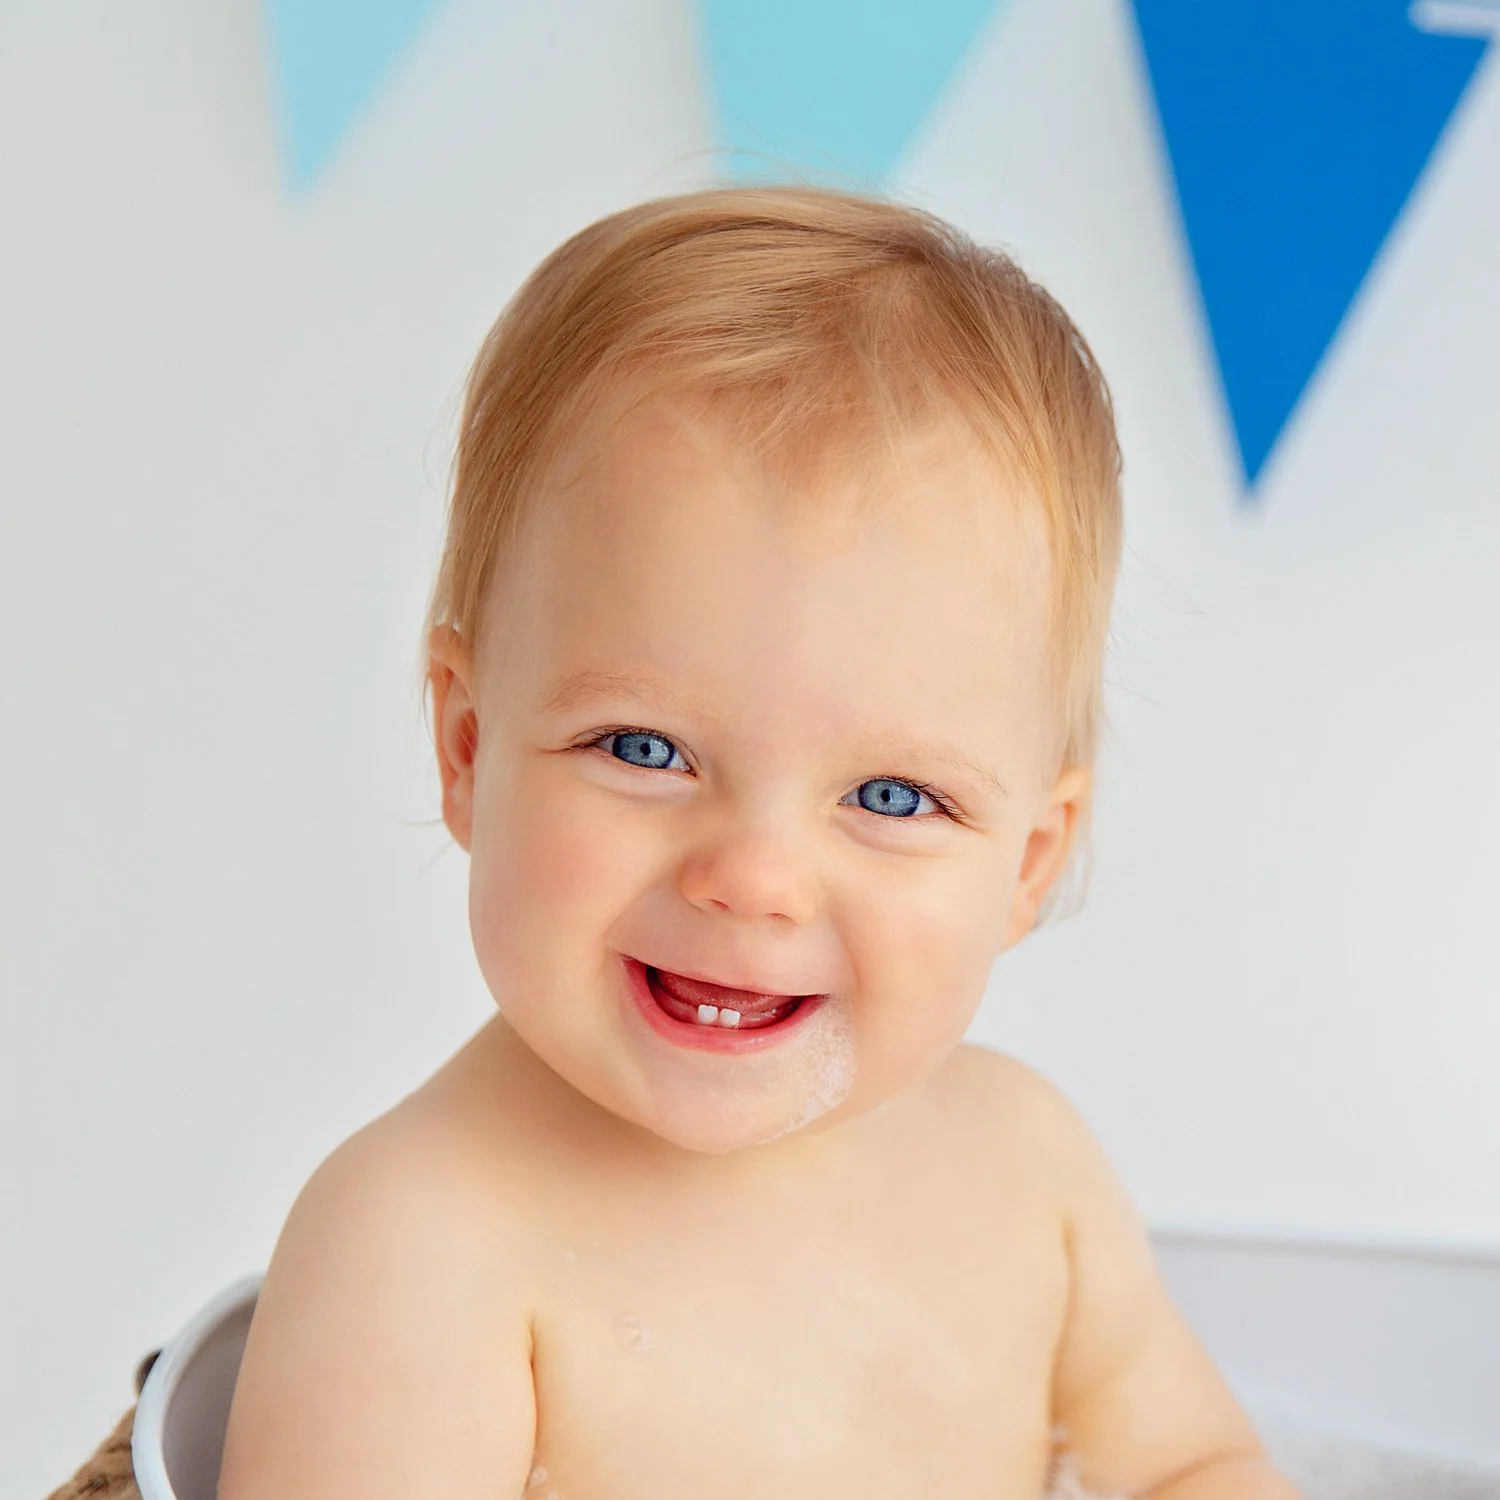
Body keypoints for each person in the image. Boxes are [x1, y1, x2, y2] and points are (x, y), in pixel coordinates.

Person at [216, 185, 1302, 1500]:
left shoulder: (1023, 1168)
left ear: (1028, 861)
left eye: (892, 798)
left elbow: (1190, 1463)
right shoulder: (423, 1245)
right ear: (466, 749)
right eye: (643, 749)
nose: (754, 880)